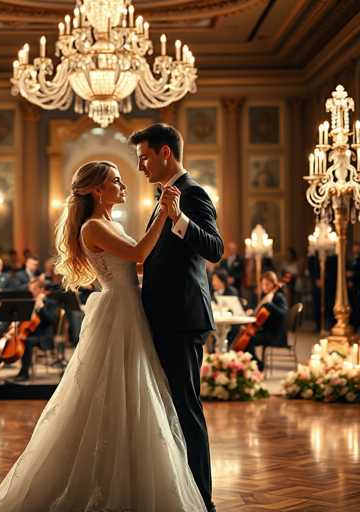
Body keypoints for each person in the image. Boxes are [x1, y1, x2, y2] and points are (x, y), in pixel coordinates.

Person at [0, 161, 207, 512]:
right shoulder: (93, 227)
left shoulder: (109, 223)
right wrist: (163, 211)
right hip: (119, 312)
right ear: (98, 190)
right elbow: (138, 253)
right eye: (115, 181)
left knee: (136, 389)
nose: (123, 185)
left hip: (130, 309)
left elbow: (138, 264)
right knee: (113, 391)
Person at [131, 123, 223, 512]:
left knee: (187, 409)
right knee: (172, 409)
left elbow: (214, 248)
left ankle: (203, 500)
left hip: (182, 320)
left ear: (165, 152)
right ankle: (180, 492)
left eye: (145, 157)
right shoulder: (161, 197)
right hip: (162, 319)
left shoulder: (193, 193)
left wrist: (180, 218)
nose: (141, 167)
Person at [15, 278, 58, 381]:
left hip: (44, 336)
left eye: (34, 289)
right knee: (19, 338)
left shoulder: (50, 302)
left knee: (26, 341)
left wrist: (42, 307)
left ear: (41, 289)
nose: (31, 292)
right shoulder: (30, 302)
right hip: (31, 333)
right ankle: (21, 370)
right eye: (30, 289)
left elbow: (52, 320)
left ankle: (24, 373)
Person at [244, 271, 288, 370]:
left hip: (275, 334)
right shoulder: (267, 296)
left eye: (267, 284)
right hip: (266, 331)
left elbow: (283, 314)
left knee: (248, 340)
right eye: (263, 284)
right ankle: (251, 364)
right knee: (246, 337)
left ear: (274, 284)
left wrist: (270, 305)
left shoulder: (278, 296)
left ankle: (258, 365)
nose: (264, 287)